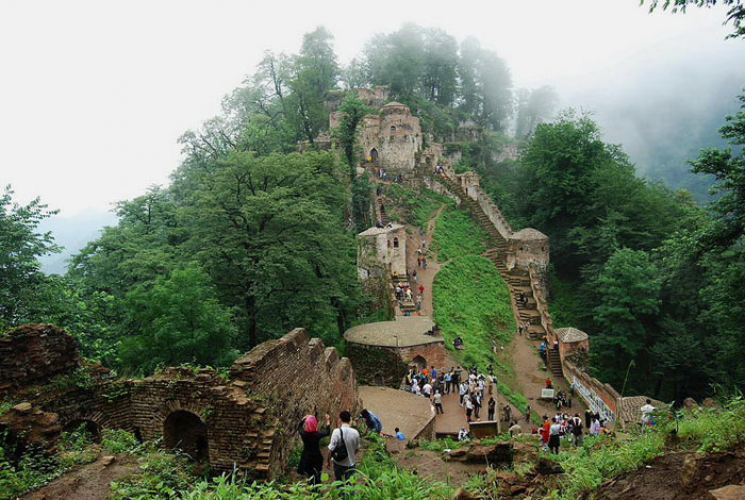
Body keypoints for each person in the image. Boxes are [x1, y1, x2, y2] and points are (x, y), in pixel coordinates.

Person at [297, 413, 331, 484]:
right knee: (317, 473)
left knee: (310, 475)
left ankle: (312, 487)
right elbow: (327, 432)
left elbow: (299, 427)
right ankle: (316, 488)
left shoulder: (304, 434)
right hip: (316, 457)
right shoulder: (317, 434)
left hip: (307, 457)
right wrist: (328, 421)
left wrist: (303, 419)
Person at [327, 411, 361, 482]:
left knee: (339, 483)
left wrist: (328, 462)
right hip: (351, 463)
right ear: (349, 420)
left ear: (340, 419)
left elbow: (330, 449)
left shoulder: (336, 432)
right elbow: (357, 448)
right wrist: (350, 454)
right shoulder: (355, 433)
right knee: (351, 485)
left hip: (339, 463)